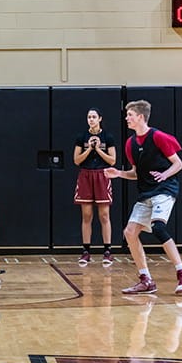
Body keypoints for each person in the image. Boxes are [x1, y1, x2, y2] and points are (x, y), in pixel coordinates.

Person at [104, 100, 182, 294]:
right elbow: (135, 173)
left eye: (130, 115)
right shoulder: (130, 144)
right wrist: (119, 173)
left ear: (140, 117)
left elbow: (178, 164)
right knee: (129, 232)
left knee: (158, 227)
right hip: (146, 192)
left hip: (165, 189)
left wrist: (164, 175)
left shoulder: (159, 137)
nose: (126, 118)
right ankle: (146, 280)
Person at [73, 107, 117, 267]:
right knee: (86, 215)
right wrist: (89, 149)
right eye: (89, 117)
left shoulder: (108, 137)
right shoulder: (81, 137)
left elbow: (112, 161)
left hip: (102, 175)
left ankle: (107, 251)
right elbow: (77, 160)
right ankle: (86, 251)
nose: (91, 119)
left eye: (93, 117)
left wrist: (98, 149)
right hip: (85, 174)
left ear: (100, 119)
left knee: (104, 215)